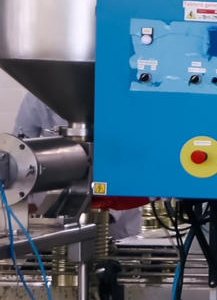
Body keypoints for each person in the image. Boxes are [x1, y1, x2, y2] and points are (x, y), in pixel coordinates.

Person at [13, 94, 143, 239]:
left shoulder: (119, 91)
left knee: (113, 249)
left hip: (116, 201)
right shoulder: (38, 93)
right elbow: (21, 150)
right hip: (53, 206)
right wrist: (26, 206)